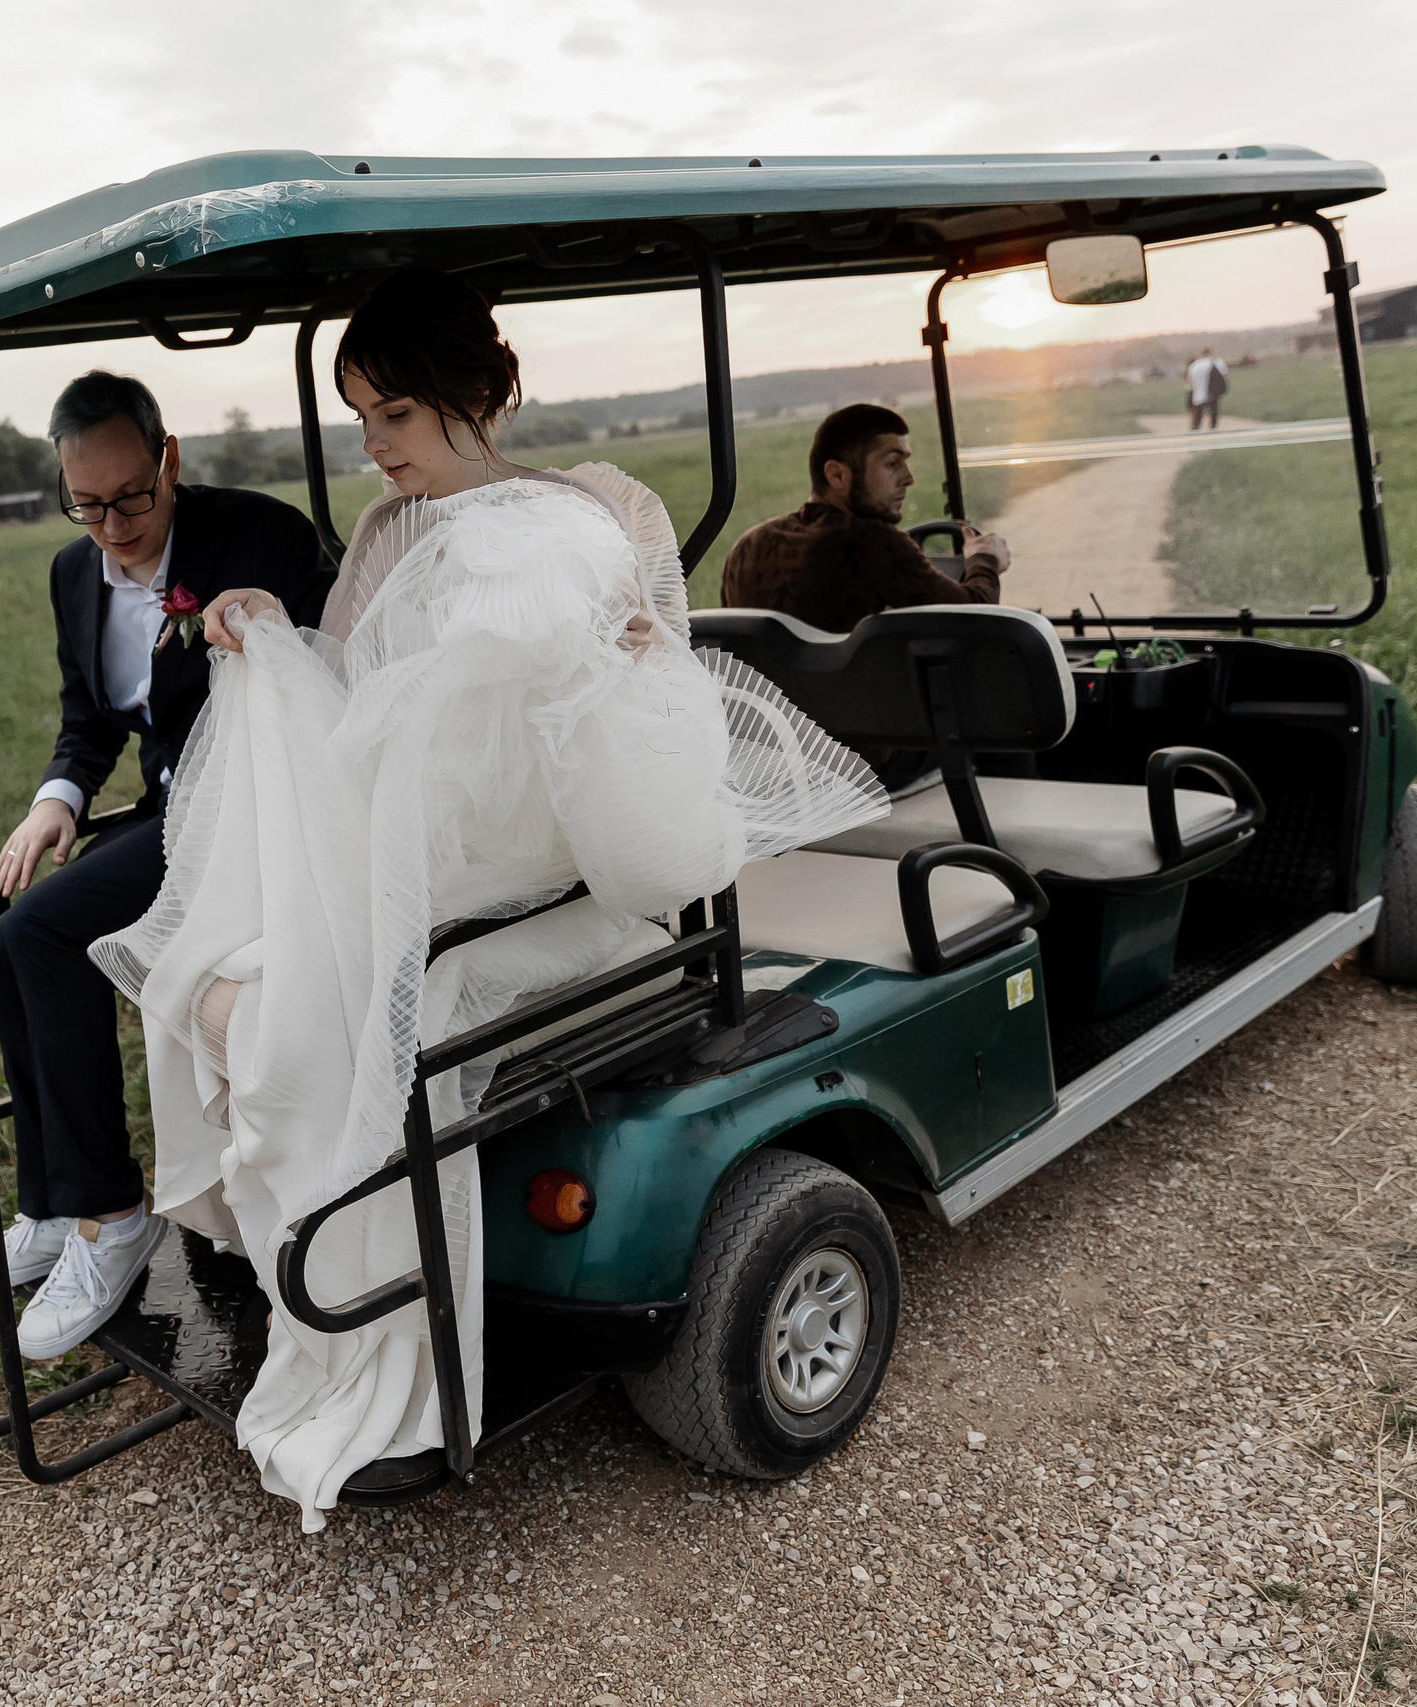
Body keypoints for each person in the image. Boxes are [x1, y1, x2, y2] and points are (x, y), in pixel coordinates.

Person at [88, 270, 886, 1531]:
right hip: (426, 864)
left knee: (303, 1021)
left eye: (395, 416)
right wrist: (268, 630)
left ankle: (372, 1326)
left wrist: (620, 670)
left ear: (485, 398)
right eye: (361, 419)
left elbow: (646, 771)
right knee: (205, 974)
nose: (375, 447)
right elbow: (352, 688)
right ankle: (294, 1273)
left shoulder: (597, 516)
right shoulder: (388, 537)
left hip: (551, 885)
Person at [0, 370, 334, 1361]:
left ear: (169, 458)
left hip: (255, 813)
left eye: (131, 498)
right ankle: (52, 1202)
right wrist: (55, 802)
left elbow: (328, 675)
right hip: (175, 807)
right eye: (86, 504)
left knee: (45, 937)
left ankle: (114, 1220)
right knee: (4, 944)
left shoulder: (260, 538)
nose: (113, 525)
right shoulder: (70, 573)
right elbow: (88, 720)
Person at [718, 402, 1010, 633]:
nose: (909, 479)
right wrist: (984, 559)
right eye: (892, 464)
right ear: (838, 475)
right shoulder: (872, 542)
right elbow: (975, 617)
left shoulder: (746, 547)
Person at [1187, 346, 1229, 430]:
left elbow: (1190, 381)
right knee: (1213, 412)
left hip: (1197, 392)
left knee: (1198, 413)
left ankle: (1195, 429)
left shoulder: (1195, 365)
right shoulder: (1216, 362)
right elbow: (1223, 374)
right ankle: (1213, 429)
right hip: (1212, 392)